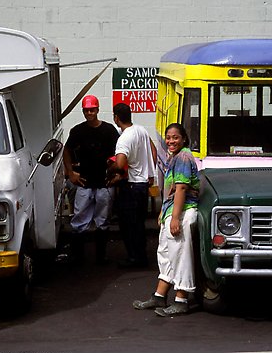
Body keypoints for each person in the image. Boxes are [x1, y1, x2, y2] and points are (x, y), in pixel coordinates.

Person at [132, 123, 199, 317]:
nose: (171, 141)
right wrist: (164, 211)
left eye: (175, 137)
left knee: (180, 256)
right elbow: (170, 190)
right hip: (173, 210)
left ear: (184, 139)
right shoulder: (175, 157)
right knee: (167, 254)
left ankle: (181, 300)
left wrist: (175, 218)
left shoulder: (184, 157)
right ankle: (159, 296)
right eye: (168, 137)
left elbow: (181, 189)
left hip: (183, 212)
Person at [60, 95, 120, 265]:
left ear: (98, 110)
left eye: (92, 110)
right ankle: (78, 257)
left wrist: (117, 173)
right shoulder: (78, 131)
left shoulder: (109, 130)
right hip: (84, 183)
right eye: (86, 110)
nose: (89, 113)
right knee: (79, 219)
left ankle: (101, 257)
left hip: (104, 182)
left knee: (102, 221)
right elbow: (67, 150)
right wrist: (70, 173)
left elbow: (120, 153)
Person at [109, 102, 157, 268]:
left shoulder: (124, 138)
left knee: (128, 224)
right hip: (142, 185)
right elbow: (152, 149)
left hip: (131, 187)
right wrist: (150, 171)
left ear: (116, 117)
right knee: (139, 223)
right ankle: (141, 256)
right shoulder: (141, 130)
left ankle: (134, 258)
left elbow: (120, 162)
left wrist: (110, 168)